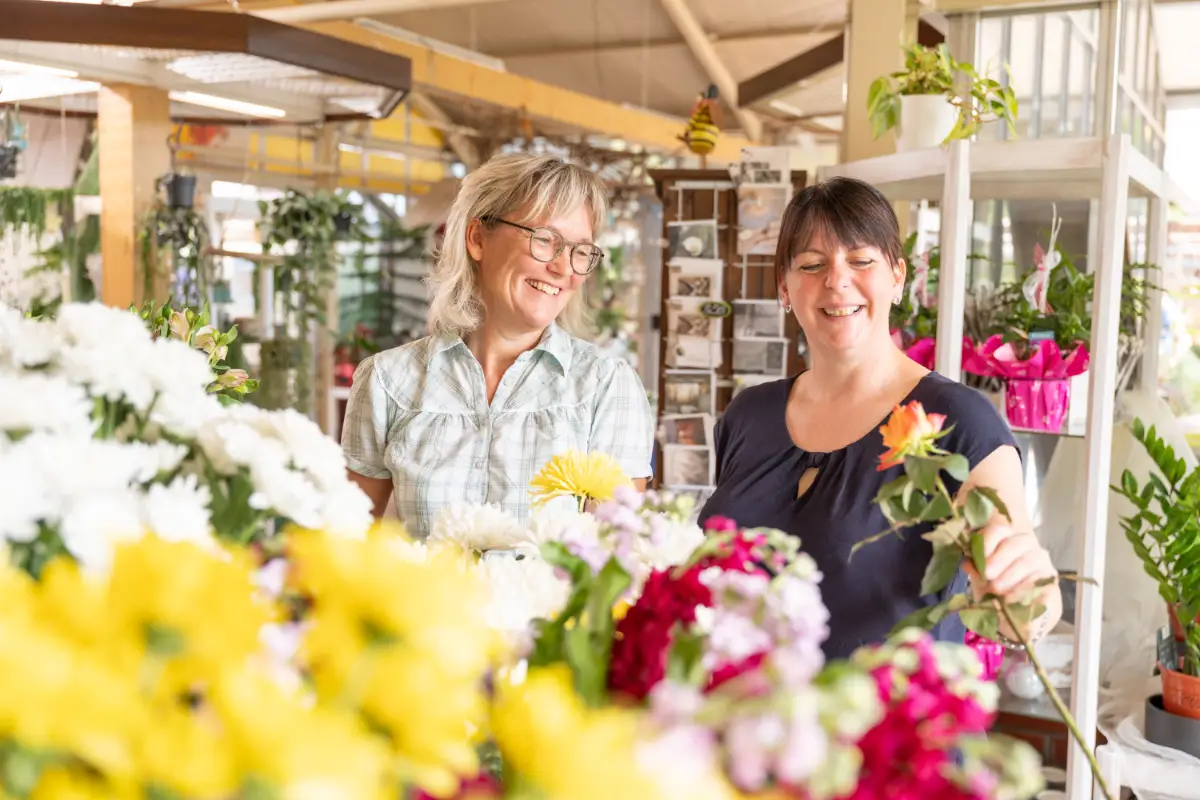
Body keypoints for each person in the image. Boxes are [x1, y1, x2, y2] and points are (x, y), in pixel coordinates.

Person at [698, 177, 1062, 659]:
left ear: (897, 276)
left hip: (889, 725)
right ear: (784, 287)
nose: (836, 280)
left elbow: (1017, 581)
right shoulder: (748, 415)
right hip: (748, 723)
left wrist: (1029, 596)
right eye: (811, 264)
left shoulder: (960, 420)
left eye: (861, 260)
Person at [341, 153, 655, 537]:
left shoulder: (605, 387)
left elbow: (615, 559)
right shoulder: (387, 381)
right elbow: (347, 540)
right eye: (545, 240)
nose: (563, 268)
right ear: (477, 239)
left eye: (580, 251)